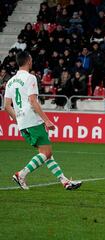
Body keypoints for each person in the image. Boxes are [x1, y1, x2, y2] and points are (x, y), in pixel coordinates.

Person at [4, 51, 82, 190]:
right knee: (46, 153)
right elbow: (33, 101)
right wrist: (46, 120)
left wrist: (19, 119)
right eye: (31, 59)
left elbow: (6, 106)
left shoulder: (10, 81)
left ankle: (64, 181)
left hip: (23, 123)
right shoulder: (30, 78)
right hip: (33, 121)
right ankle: (21, 174)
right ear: (28, 61)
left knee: (46, 154)